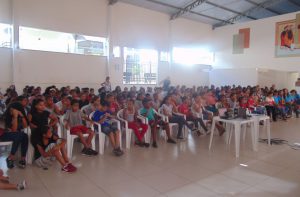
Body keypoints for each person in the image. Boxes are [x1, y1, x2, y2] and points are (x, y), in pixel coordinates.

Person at [1, 102, 29, 169]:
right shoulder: (5, 116)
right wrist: (15, 116)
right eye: (10, 109)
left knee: (24, 136)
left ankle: (23, 159)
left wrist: (21, 115)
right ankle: (10, 157)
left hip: (15, 134)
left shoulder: (20, 115)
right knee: (19, 135)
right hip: (4, 135)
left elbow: (25, 126)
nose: (11, 111)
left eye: (13, 109)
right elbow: (14, 129)